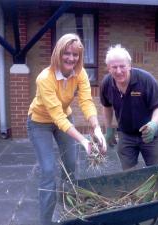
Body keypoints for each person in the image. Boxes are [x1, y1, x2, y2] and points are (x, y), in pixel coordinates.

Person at [27, 33, 107, 225]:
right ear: (58, 53)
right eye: (67, 53)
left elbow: (86, 101)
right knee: (48, 170)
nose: (71, 58)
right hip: (39, 124)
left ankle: (68, 210)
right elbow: (57, 117)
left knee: (70, 166)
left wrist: (96, 128)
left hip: (63, 118)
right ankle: (45, 221)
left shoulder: (79, 73)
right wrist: (83, 140)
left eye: (76, 54)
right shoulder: (44, 78)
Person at [100, 44, 158, 211]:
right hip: (126, 133)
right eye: (114, 67)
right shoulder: (107, 83)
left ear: (129, 65)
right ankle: (138, 202)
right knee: (128, 171)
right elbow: (107, 106)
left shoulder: (146, 80)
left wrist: (153, 125)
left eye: (122, 66)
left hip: (151, 133)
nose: (118, 71)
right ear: (109, 68)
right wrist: (108, 129)